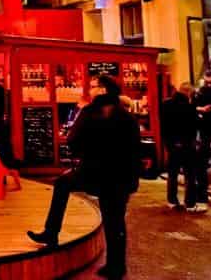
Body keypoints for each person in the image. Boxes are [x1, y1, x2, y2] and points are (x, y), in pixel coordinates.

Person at [28, 76, 141, 280]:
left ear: (103, 90)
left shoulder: (89, 112)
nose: (90, 90)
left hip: (93, 171)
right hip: (120, 176)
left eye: (93, 87)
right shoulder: (127, 116)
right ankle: (116, 266)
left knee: (62, 184)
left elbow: (73, 141)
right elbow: (135, 149)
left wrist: (85, 153)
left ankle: (51, 232)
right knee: (115, 220)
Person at [160, 83, 202, 212]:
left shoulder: (165, 104)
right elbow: (194, 125)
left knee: (172, 173)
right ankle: (190, 203)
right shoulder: (189, 107)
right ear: (188, 92)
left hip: (171, 144)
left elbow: (163, 125)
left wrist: (168, 142)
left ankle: (172, 201)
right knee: (190, 174)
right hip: (187, 144)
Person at [192, 70, 211, 205]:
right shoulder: (201, 92)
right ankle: (202, 195)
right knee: (200, 165)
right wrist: (200, 109)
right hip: (204, 133)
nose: (209, 85)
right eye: (207, 82)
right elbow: (192, 107)